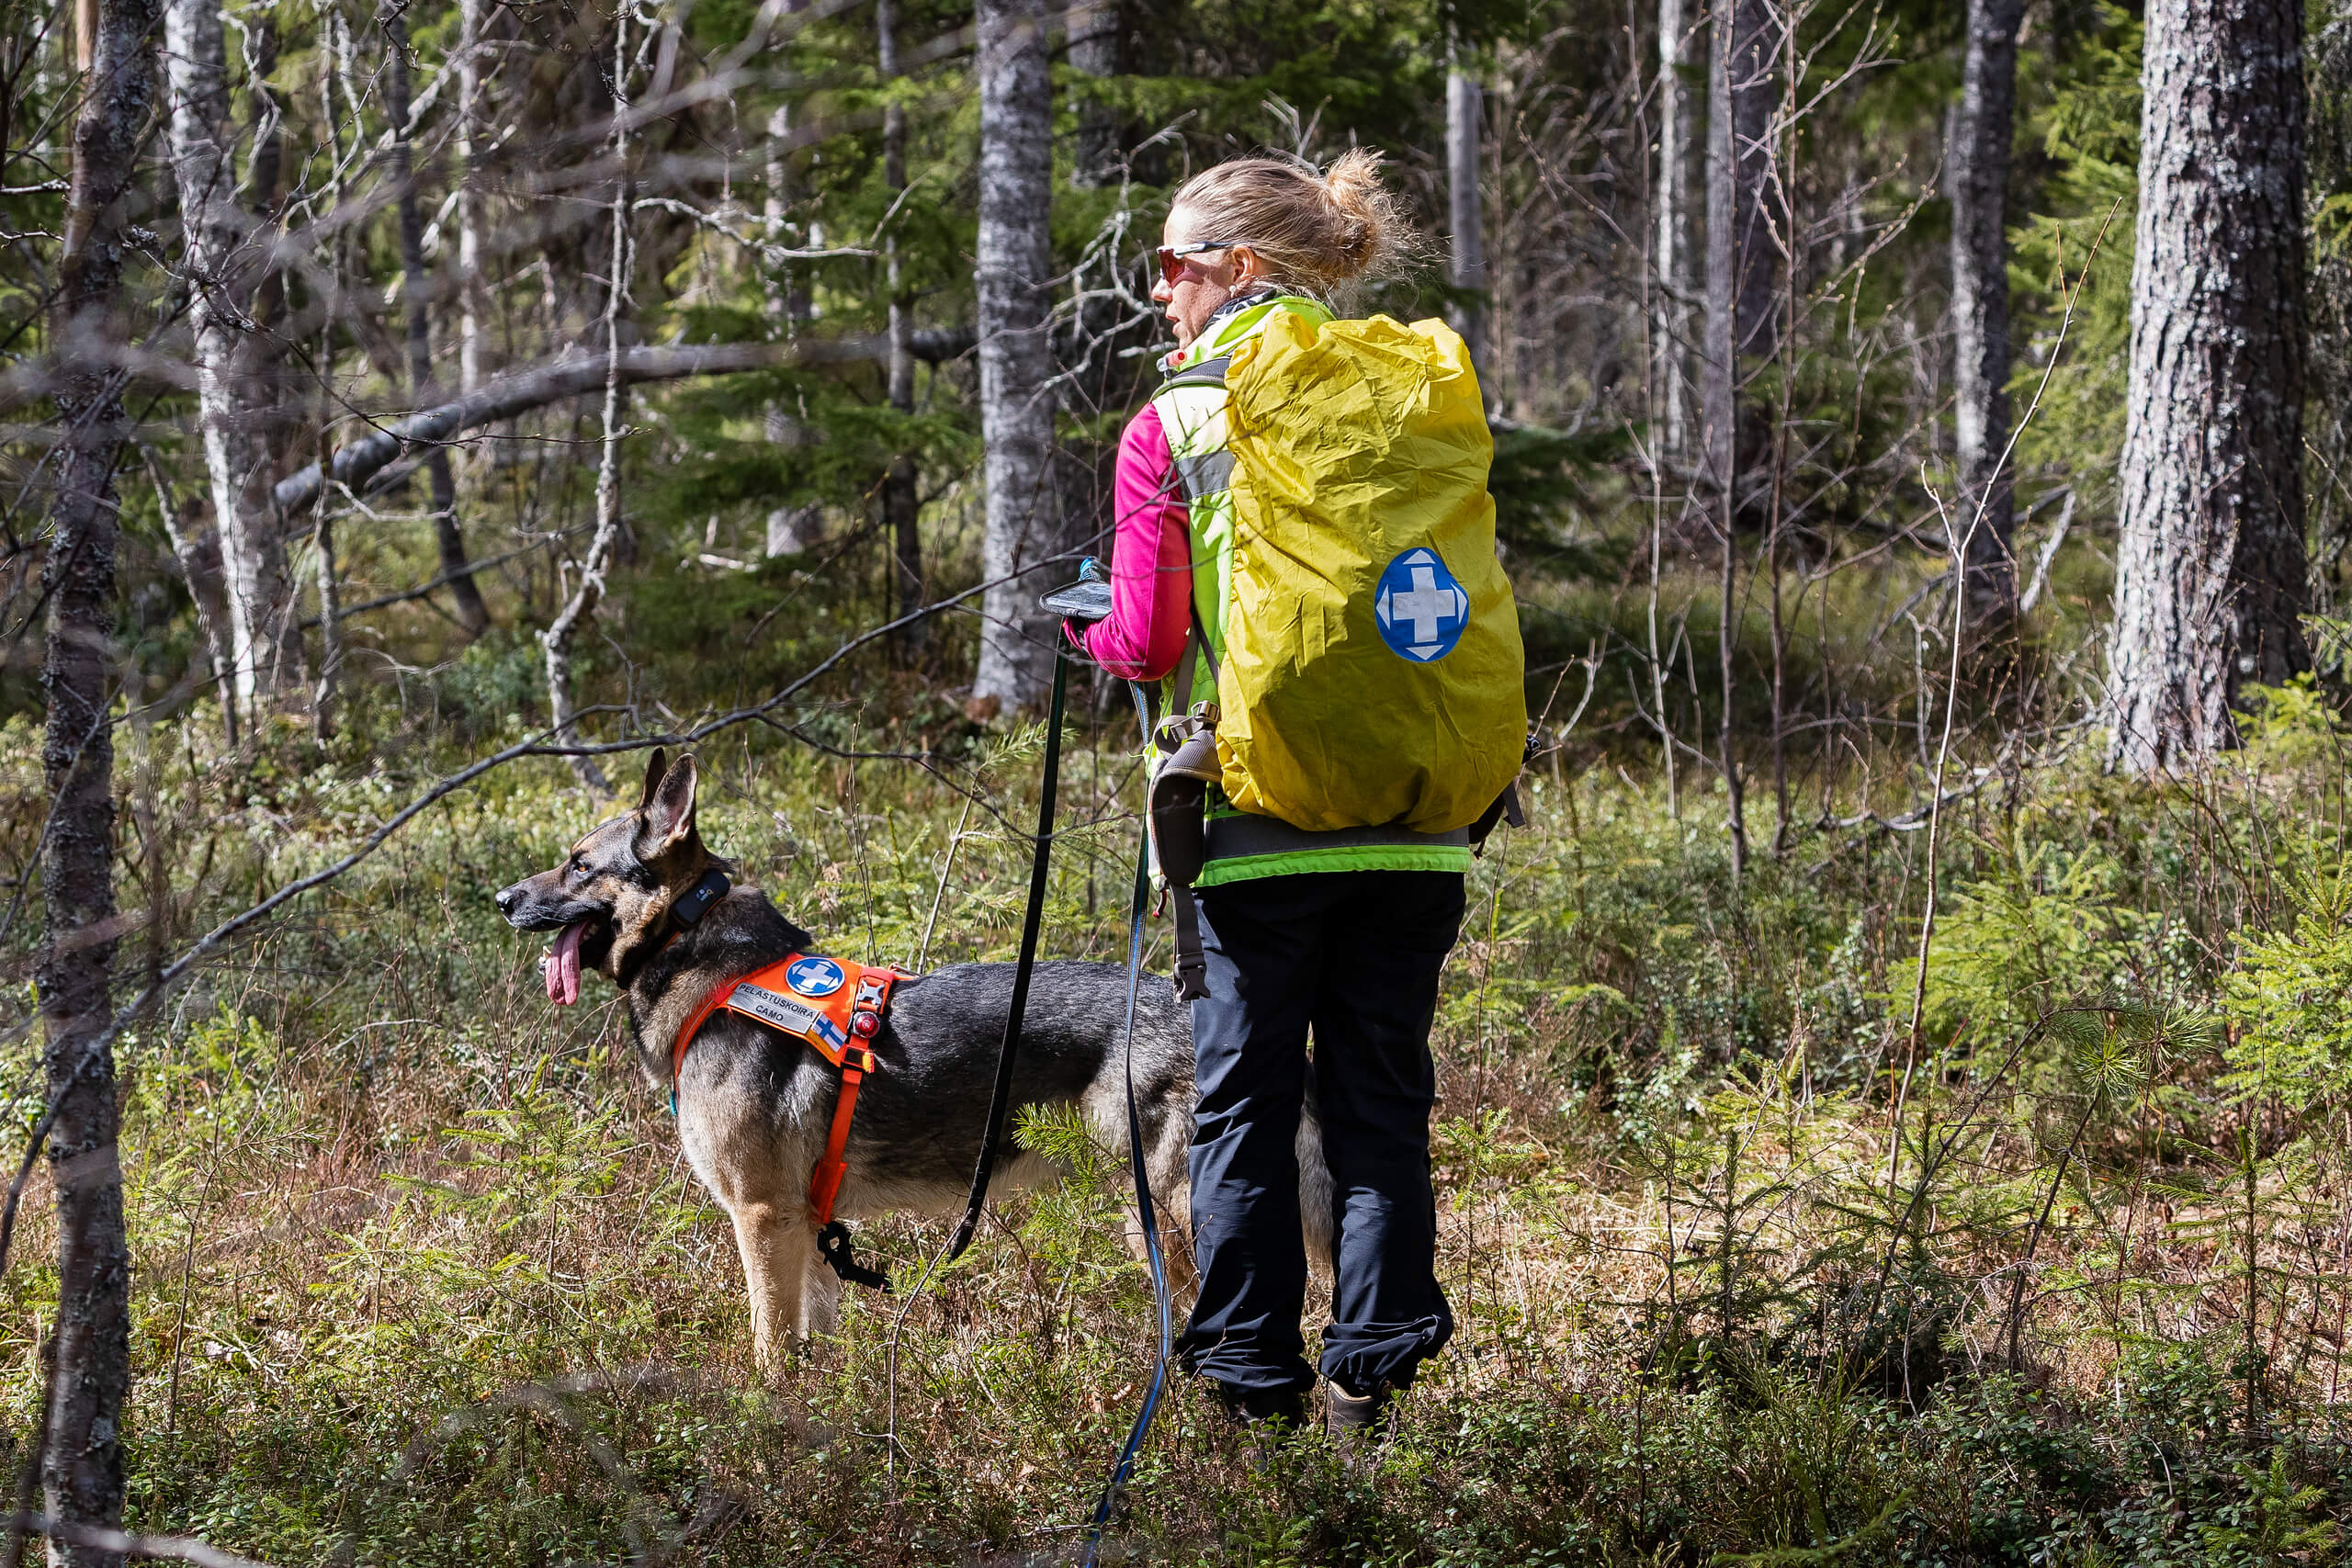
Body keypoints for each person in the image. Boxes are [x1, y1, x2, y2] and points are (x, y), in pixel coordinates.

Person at [1069, 151, 1477, 1438]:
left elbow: (1141, 642)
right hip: (1419, 821)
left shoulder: (1174, 422)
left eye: (1176, 268)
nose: (1160, 293)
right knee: (1379, 1098)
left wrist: (1085, 629)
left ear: (1239, 270)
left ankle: (1253, 1389)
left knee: (1243, 1105)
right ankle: (1373, 1377)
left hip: (1254, 822)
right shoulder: (1411, 394)